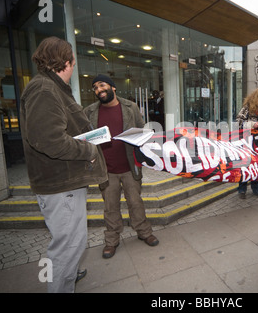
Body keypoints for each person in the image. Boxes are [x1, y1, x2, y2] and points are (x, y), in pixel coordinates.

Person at [20, 37, 108, 292]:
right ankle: (61, 284)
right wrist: (89, 149)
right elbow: (49, 141)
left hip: (63, 182)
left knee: (69, 243)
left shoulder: (50, 87)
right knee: (69, 245)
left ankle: (69, 273)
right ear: (67, 62)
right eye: (73, 62)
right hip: (60, 185)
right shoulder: (45, 89)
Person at [84, 74, 159, 260]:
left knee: (135, 202)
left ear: (112, 87)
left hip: (129, 167)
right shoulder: (89, 111)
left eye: (102, 85)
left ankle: (144, 231)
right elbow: (84, 138)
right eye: (95, 87)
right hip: (106, 169)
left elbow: (142, 131)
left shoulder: (130, 107)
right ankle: (111, 240)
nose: (99, 90)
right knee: (110, 207)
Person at [236, 88, 258, 199]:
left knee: (257, 165)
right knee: (245, 164)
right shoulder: (247, 107)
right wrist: (252, 124)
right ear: (256, 98)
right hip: (246, 140)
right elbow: (238, 122)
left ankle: (256, 188)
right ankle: (242, 189)